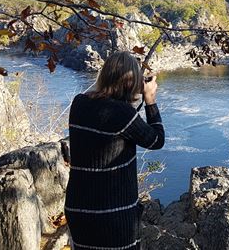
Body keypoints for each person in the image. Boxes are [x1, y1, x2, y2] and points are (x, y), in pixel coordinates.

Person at [64, 51, 165, 250]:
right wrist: (150, 100)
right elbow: (156, 140)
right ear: (132, 83)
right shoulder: (122, 115)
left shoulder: (79, 104)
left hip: (78, 210)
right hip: (113, 215)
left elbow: (100, 99)